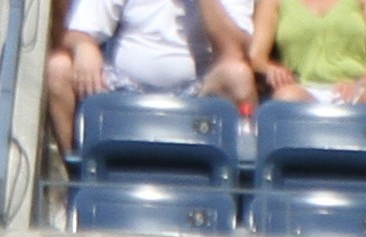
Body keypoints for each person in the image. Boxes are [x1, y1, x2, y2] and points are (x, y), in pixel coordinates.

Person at [51, 0, 254, 149]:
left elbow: (234, 51)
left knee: (238, 75)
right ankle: (76, 176)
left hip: (199, 90)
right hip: (122, 86)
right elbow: (77, 31)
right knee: (59, 68)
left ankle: (233, 192)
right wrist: (83, 46)